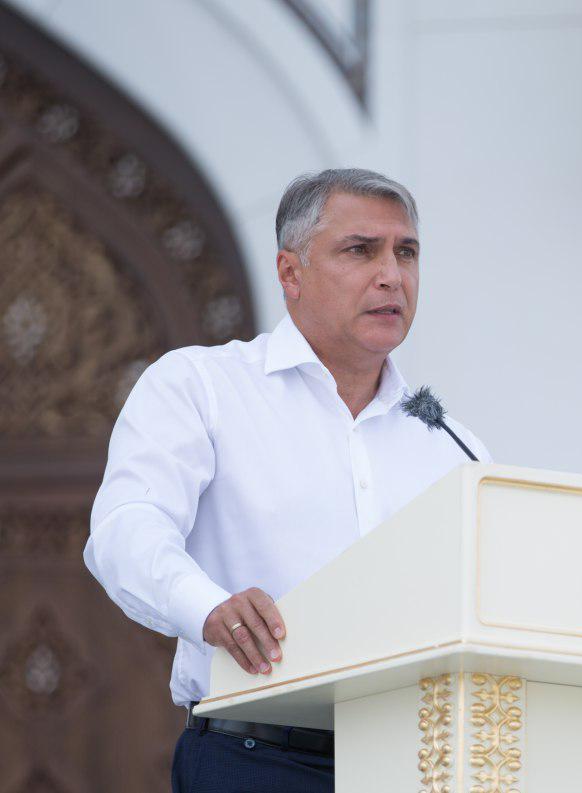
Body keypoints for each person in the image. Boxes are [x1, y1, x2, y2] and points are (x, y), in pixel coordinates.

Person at [83, 168, 490, 792]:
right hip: (256, 759)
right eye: (361, 250)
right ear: (290, 272)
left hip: (417, 762)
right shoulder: (202, 387)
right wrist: (207, 606)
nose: (392, 275)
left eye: (406, 252)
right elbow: (125, 527)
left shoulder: (450, 444)